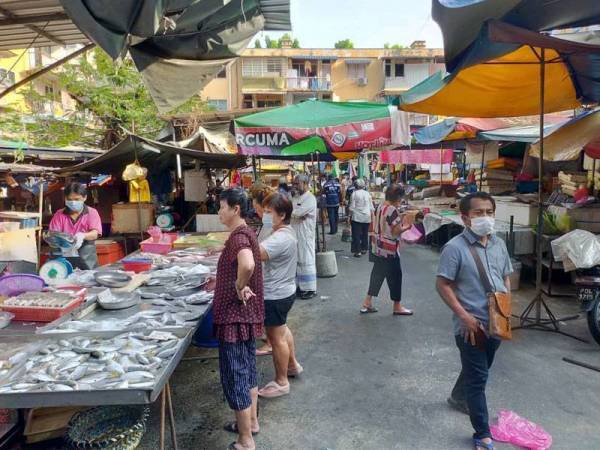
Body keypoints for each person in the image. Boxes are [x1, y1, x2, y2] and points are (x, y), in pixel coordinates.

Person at [436, 192, 512, 450]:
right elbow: (443, 284)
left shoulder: (499, 244)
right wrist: (464, 316)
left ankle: (458, 397)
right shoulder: (454, 248)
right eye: (478, 213)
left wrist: (506, 306)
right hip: (472, 325)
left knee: (480, 368)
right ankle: (482, 433)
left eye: (489, 212)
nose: (485, 217)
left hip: (497, 323)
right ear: (465, 217)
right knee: (478, 378)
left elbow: (506, 277)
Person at [213, 188, 264, 450]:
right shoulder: (246, 232)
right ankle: (251, 423)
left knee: (236, 377)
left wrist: (237, 285)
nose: (219, 211)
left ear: (235, 209)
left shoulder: (238, 237)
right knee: (248, 372)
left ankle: (245, 440)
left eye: (222, 206)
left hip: (234, 318)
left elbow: (247, 264)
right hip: (243, 316)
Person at [257, 193, 303, 399]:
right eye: (264, 211)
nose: (264, 216)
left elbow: (255, 255)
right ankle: (292, 365)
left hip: (275, 295)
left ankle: (281, 381)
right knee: (282, 331)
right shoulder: (285, 231)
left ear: (282, 214)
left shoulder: (280, 237)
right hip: (284, 290)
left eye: (268, 213)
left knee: (276, 338)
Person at [360, 184, 413, 316]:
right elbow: (395, 231)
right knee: (395, 276)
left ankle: (367, 302)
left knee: (377, 274)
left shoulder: (380, 206)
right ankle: (397, 306)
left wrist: (399, 217)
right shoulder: (392, 210)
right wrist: (406, 227)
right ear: (398, 198)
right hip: (389, 249)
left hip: (377, 246)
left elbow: (385, 224)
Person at [48, 182, 102, 270]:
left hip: (87, 257)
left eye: (77, 199)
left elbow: (95, 233)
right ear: (65, 198)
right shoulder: (59, 214)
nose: (73, 202)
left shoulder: (92, 212)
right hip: (63, 256)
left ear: (84, 198)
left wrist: (83, 235)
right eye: (69, 199)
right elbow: (53, 234)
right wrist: (64, 240)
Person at [291, 174, 317, 299]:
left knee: (306, 260)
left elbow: (298, 213)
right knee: (297, 261)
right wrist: (295, 214)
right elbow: (292, 212)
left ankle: (310, 289)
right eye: (294, 183)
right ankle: (301, 287)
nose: (295, 186)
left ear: (306, 184)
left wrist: (296, 214)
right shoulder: (295, 197)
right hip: (295, 233)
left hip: (305, 234)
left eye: (297, 183)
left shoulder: (310, 198)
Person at [349, 178, 373, 258]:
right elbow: (371, 207)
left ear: (355, 185)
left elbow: (352, 207)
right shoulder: (368, 194)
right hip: (366, 217)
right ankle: (364, 249)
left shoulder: (354, 194)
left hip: (357, 217)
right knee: (365, 233)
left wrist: (349, 216)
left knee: (356, 234)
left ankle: (358, 251)